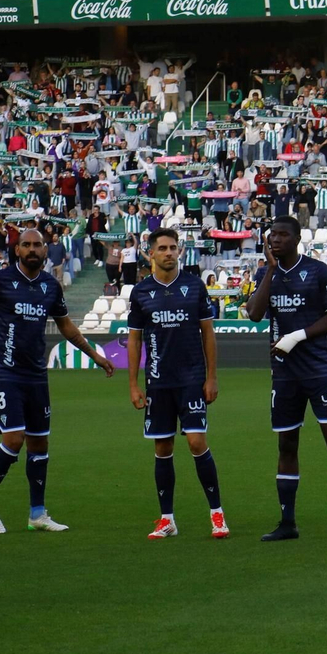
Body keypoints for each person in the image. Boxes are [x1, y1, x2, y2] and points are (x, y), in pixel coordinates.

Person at [0, 227, 113, 533]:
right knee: (14, 439)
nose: (32, 249)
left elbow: (66, 326)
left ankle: (37, 514)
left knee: (39, 442)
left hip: (36, 374)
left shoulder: (50, 286)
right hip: (4, 371)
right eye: (26, 244)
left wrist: (95, 355)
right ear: (17, 250)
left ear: (45, 250)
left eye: (37, 245)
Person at [245, 216, 327, 543]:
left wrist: (296, 336)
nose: (275, 240)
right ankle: (287, 522)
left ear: (297, 239)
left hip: (320, 369)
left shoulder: (317, 271)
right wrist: (270, 271)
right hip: (284, 374)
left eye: (283, 235)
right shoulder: (265, 273)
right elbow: (254, 314)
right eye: (272, 235)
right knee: (286, 445)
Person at [126, 228, 227, 539]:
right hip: (158, 383)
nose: (169, 253)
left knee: (196, 442)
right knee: (163, 447)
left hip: (191, 380)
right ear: (151, 253)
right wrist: (133, 385)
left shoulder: (194, 286)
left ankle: (217, 514)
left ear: (179, 250)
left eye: (173, 247)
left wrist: (211, 377)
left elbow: (207, 333)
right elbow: (134, 340)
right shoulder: (141, 291)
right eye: (163, 248)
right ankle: (167, 519)